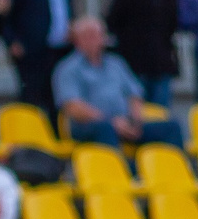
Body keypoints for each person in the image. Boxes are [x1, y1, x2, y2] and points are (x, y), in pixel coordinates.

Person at [53, 17, 184, 148]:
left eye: (97, 35)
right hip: (88, 125)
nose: (93, 40)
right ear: (77, 40)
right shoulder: (67, 69)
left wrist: (135, 120)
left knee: (171, 128)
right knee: (105, 129)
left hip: (124, 120)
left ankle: (176, 166)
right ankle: (121, 167)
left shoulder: (116, 64)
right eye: (88, 35)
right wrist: (112, 122)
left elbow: (135, 94)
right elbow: (73, 107)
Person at [4, 0, 76, 117]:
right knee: (32, 102)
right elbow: (6, 13)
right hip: (33, 51)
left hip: (60, 49)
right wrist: (12, 41)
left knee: (57, 101)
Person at [104, 0, 182, 109]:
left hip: (133, 63)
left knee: (136, 115)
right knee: (160, 116)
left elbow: (111, 24)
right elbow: (175, 25)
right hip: (162, 61)